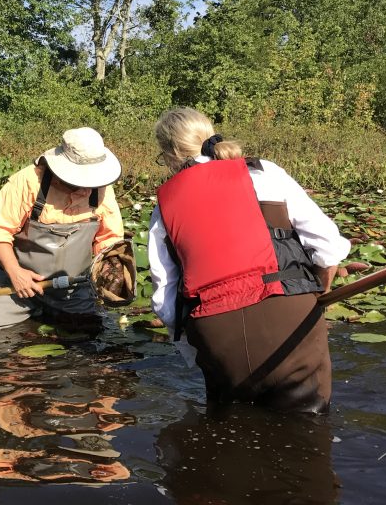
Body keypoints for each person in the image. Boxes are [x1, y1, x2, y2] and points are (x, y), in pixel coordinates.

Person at [148, 107, 351, 412]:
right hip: (290, 317)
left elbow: (165, 303)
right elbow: (327, 247)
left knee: (231, 436)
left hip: (216, 335)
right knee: (309, 433)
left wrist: (197, 355)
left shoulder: (163, 206)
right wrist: (317, 292)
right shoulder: (264, 171)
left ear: (170, 154)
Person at [0, 127, 125, 331]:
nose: (86, 186)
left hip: (74, 286)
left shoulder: (102, 190)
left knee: (89, 335)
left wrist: (111, 270)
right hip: (16, 283)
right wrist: (15, 272)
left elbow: (110, 238)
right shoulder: (27, 181)